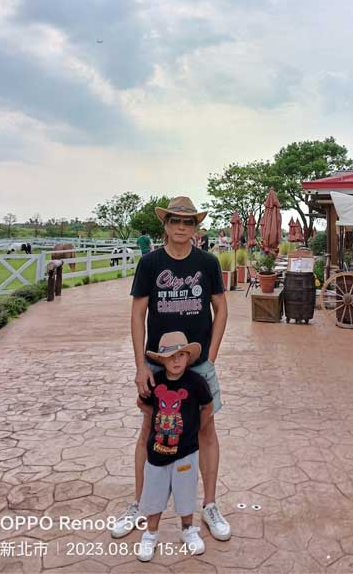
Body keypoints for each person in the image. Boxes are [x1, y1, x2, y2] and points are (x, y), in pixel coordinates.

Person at [111, 196, 231, 543]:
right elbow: (138, 314)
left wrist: (211, 354)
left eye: (189, 222)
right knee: (150, 429)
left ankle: (209, 505)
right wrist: (140, 366)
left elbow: (220, 308)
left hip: (198, 364)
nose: (182, 228)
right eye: (175, 221)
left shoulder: (207, 263)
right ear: (165, 225)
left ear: (196, 227)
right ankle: (138, 504)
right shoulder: (150, 264)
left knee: (205, 430)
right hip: (158, 364)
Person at [135, 331, 213, 562]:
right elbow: (142, 402)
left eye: (181, 355)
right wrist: (156, 416)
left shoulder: (196, 383)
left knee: (186, 493)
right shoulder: (156, 382)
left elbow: (207, 406)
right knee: (154, 493)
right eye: (170, 356)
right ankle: (151, 533)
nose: (176, 360)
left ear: (187, 357)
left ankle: (188, 529)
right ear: (161, 359)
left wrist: (197, 426)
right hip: (157, 453)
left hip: (186, 452)